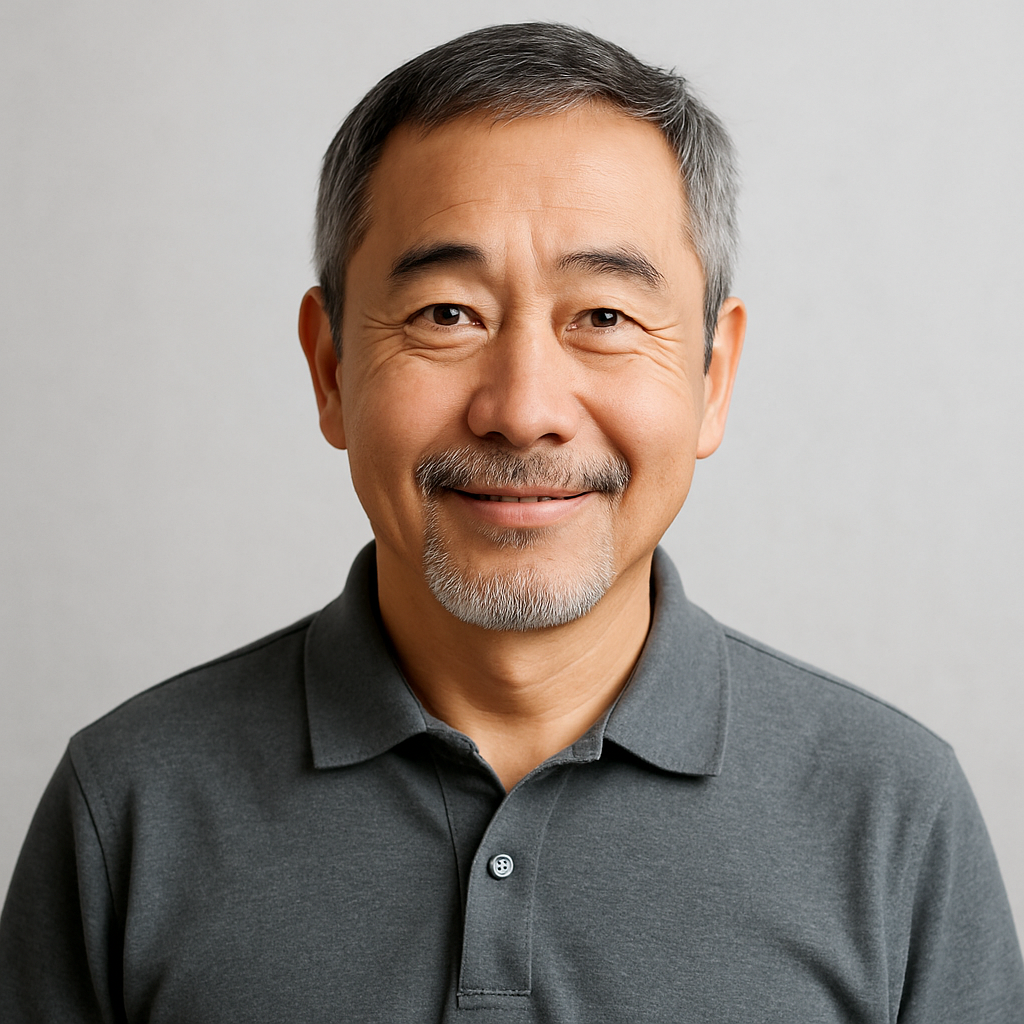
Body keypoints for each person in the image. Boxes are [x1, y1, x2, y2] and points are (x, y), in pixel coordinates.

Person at [1, 21, 1021, 1022]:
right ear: (330, 370)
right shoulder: (127, 805)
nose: (523, 406)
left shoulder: (893, 815)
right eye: (448, 314)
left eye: (604, 317)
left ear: (713, 377)